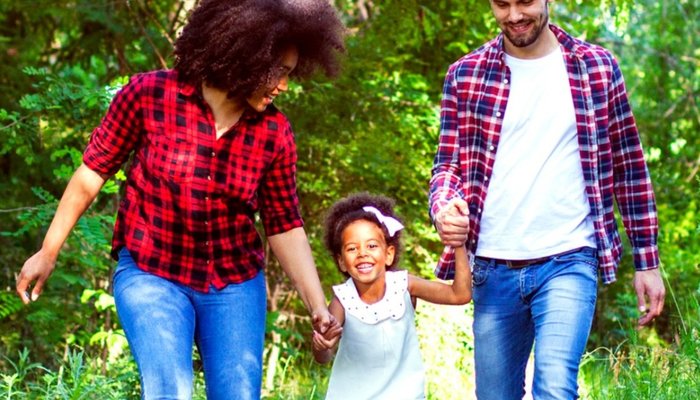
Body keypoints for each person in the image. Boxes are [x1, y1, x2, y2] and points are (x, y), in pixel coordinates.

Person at [15, 1, 345, 399]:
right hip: (151, 273)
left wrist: (317, 306)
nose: (284, 86)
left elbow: (284, 224)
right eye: (278, 72)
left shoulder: (274, 132)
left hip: (233, 282)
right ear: (243, 54)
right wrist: (48, 251)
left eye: (291, 74)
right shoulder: (149, 95)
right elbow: (92, 173)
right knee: (170, 390)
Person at [429, 1, 665, 399]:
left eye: (525, 2)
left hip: (570, 258)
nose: (514, 15)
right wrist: (444, 206)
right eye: (502, 4)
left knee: (555, 387)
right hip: (491, 265)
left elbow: (629, 165)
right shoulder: (465, 75)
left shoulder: (597, 68)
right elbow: (447, 166)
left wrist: (647, 259)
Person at [312, 193, 472, 399]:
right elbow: (324, 356)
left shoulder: (404, 285)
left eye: (371, 246)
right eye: (352, 248)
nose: (362, 253)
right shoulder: (343, 299)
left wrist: (458, 244)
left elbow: (459, 295)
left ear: (388, 253)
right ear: (341, 261)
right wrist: (320, 345)